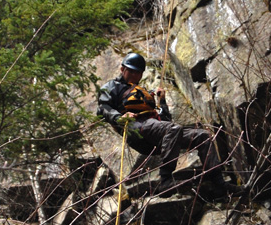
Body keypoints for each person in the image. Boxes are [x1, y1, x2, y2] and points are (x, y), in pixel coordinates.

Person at [97, 52, 242, 199]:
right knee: (174, 129)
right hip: (136, 128)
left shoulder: (142, 93)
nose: (135, 75)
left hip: (154, 131)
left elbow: (165, 122)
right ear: (122, 69)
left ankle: (218, 183)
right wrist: (120, 117)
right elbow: (103, 109)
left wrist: (162, 102)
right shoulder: (111, 87)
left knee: (203, 136)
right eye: (131, 71)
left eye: (138, 73)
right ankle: (165, 180)